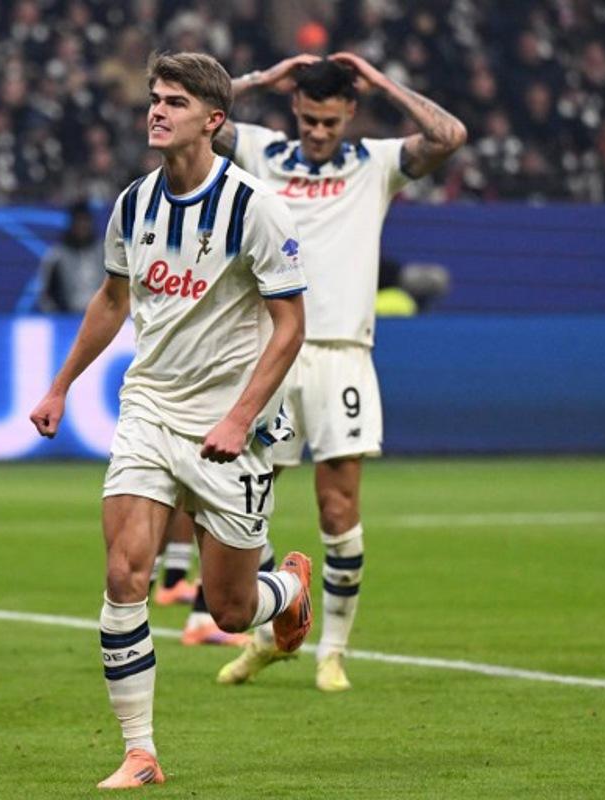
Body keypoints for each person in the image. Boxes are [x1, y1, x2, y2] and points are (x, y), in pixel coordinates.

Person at [29, 52, 312, 789]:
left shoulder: (255, 207)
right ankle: (140, 751)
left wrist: (240, 417)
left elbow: (290, 328)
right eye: (153, 98)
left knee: (229, 608)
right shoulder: (133, 204)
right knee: (125, 574)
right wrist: (60, 387)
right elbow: (112, 302)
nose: (156, 111)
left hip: (231, 431)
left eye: (174, 101)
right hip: (149, 410)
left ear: (213, 122)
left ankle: (290, 590)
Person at [212, 54, 466, 691]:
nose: (318, 133)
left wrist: (382, 81)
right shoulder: (267, 152)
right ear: (293, 111)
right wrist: (261, 82)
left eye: (328, 120)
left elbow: (450, 137)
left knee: (337, 506)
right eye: (307, 119)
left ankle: (333, 650)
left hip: (342, 356)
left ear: (350, 111)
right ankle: (272, 635)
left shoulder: (373, 164)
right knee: (250, 504)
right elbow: (203, 122)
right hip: (271, 352)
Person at [35, 200, 105, 313]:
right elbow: (45, 296)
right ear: (71, 224)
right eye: (78, 221)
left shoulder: (105, 252)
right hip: (68, 318)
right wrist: (58, 317)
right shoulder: (56, 255)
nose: (82, 226)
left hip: (102, 316)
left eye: (86, 221)